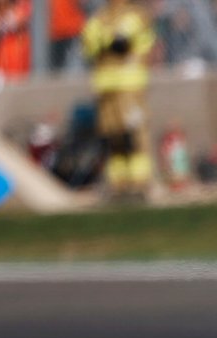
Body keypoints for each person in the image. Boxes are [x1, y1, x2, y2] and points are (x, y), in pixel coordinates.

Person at [82, 0, 156, 196]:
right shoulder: (100, 17)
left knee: (134, 132)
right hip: (107, 85)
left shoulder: (134, 16)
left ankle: (140, 181)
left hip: (129, 84)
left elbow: (127, 42)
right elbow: (90, 43)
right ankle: (119, 182)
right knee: (113, 135)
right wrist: (107, 41)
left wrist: (107, 41)